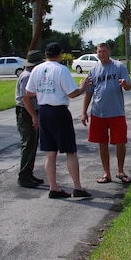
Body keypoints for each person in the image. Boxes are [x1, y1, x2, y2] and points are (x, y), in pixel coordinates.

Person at [23, 42, 92, 199]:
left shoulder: (37, 69)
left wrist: (44, 91)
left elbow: (28, 92)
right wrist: (83, 86)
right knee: (70, 151)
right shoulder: (61, 70)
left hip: (44, 111)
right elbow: (72, 93)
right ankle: (77, 187)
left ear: (46, 54)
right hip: (59, 111)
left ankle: (53, 187)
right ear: (60, 54)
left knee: (50, 152)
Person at [81, 43, 131, 184]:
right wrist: (84, 112)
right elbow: (89, 92)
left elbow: (128, 86)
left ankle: (120, 171)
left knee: (120, 142)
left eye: (104, 51)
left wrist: (124, 84)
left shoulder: (118, 67)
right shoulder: (93, 70)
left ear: (109, 52)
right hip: (98, 112)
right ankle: (106, 173)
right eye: (99, 51)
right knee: (102, 143)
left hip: (116, 112)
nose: (102, 54)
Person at [15, 50, 45, 188]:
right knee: (28, 144)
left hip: (31, 111)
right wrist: (34, 117)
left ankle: (29, 173)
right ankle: (23, 176)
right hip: (26, 113)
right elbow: (25, 99)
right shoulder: (27, 76)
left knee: (32, 144)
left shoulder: (31, 75)